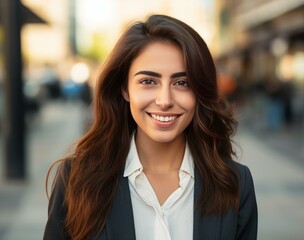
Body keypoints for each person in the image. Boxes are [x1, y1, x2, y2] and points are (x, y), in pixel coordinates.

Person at [44, 14, 257, 240]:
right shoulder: (76, 177)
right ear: (125, 89)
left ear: (199, 93)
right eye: (148, 81)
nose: (165, 101)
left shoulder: (235, 182)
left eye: (182, 83)